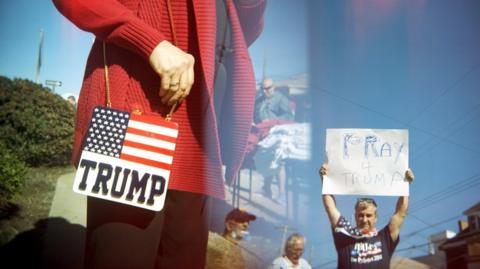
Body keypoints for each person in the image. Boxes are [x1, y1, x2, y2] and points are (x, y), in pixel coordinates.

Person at [52, 0, 266, 268]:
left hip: (202, 130)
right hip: (134, 109)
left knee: (183, 257)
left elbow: (246, 31)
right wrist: (149, 42)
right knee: (121, 253)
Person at [319, 164, 415, 269]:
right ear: (355, 216)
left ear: (376, 217)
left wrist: (406, 185)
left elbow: (400, 213)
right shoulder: (345, 235)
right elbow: (330, 208)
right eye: (360, 215)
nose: (364, 220)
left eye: (368, 215)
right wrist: (325, 181)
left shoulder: (385, 238)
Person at [254, 78, 294, 204]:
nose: (266, 91)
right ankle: (266, 189)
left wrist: (273, 121)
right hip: (263, 134)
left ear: (273, 87)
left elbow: (289, 115)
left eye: (268, 88)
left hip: (278, 134)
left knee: (278, 162)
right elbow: (256, 114)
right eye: (263, 89)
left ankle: (282, 194)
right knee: (267, 161)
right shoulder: (260, 100)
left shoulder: (280, 99)